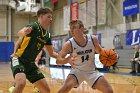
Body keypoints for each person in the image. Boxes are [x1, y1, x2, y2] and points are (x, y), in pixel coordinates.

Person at [56, 20, 113, 93]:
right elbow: (58, 60)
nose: (71, 30)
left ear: (81, 28)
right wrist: (67, 60)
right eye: (71, 28)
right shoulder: (69, 44)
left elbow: (100, 51)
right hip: (77, 71)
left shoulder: (93, 39)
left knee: (109, 90)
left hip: (91, 71)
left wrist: (109, 54)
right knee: (66, 87)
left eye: (74, 28)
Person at [10, 7, 58, 93]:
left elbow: (52, 53)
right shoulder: (34, 26)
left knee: (46, 90)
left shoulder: (47, 35)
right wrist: (25, 32)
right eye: (49, 17)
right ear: (41, 16)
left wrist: (66, 58)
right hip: (19, 59)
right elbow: (19, 33)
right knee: (21, 83)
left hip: (31, 64)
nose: (51, 19)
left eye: (51, 17)